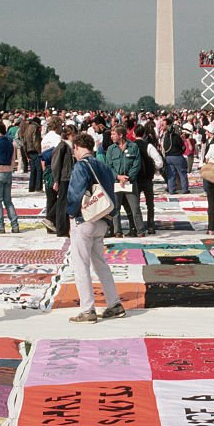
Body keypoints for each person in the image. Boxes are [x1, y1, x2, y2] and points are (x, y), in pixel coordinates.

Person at [66, 132, 123, 324]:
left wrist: (71, 214)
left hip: (85, 220)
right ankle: (114, 304)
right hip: (102, 219)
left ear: (77, 147)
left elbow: (75, 194)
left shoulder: (81, 166)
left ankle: (87, 309)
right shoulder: (104, 166)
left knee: (81, 265)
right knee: (100, 264)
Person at [107, 125, 145, 237]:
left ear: (121, 135)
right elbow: (108, 166)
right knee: (115, 208)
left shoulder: (133, 147)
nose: (111, 136)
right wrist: (118, 177)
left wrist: (128, 177)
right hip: (116, 182)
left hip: (130, 182)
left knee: (135, 208)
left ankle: (140, 230)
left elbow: (136, 164)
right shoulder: (111, 149)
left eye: (113, 134)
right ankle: (117, 231)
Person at [134, 124, 162, 235]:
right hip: (147, 179)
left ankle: (137, 226)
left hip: (135, 178)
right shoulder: (149, 146)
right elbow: (159, 162)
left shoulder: (131, 146)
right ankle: (151, 226)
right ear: (145, 134)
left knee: (135, 204)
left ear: (133, 134)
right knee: (150, 204)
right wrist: (153, 169)